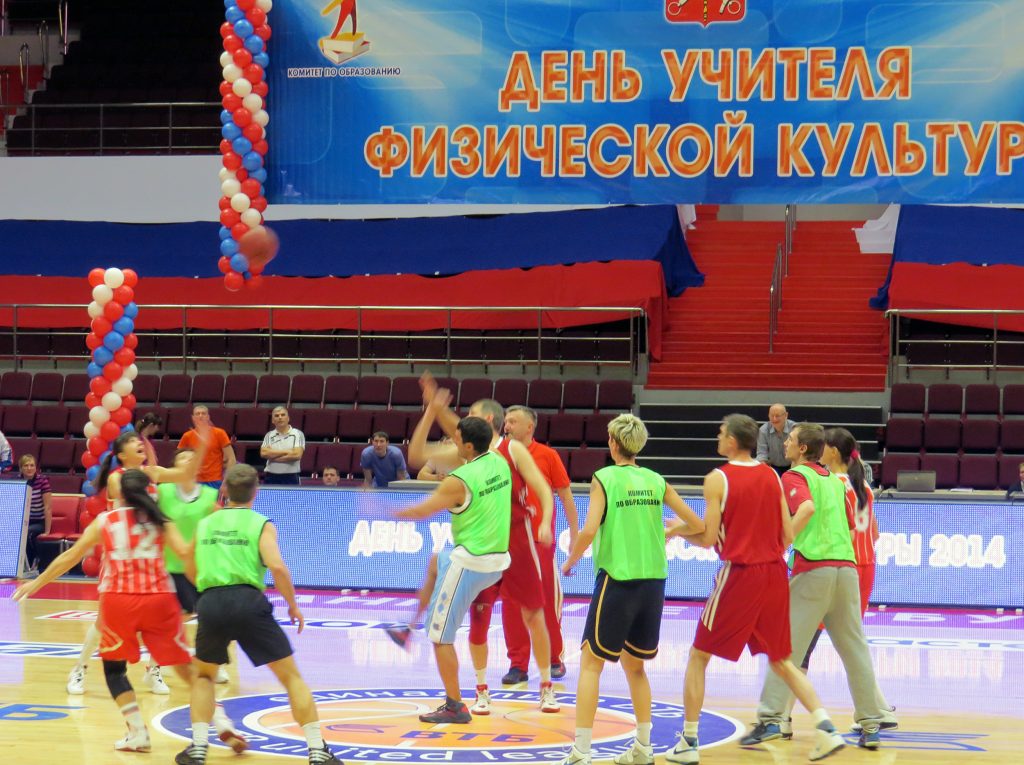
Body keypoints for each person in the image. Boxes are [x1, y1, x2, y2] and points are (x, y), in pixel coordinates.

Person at [13, 470, 245, 754]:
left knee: (114, 670)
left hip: (119, 601)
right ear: (149, 492)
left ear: (120, 494)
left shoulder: (106, 520)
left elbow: (70, 557)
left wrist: (35, 582)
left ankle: (137, 733)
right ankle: (221, 721)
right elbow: (187, 556)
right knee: (187, 669)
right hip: (159, 599)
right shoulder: (161, 521)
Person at [671, 415, 846, 764]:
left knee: (698, 656)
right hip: (775, 573)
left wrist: (677, 531)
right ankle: (827, 729)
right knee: (782, 661)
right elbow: (788, 535)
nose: (718, 436)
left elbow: (708, 538)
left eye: (722, 432)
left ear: (733, 441)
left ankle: (688, 743)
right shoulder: (771, 475)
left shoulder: (717, 478)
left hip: (740, 573)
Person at [392, 374, 558, 715]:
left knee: (533, 613)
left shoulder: (509, 450)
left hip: (516, 539)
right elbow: (423, 452)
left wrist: (544, 521)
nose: (461, 420)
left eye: (469, 414)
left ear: (485, 420)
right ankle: (481, 689)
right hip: (486, 545)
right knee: (477, 617)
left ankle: (546, 686)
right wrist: (434, 408)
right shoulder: (472, 455)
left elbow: (543, 487)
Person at [559, 414, 704, 765]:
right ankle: (643, 747)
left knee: (591, 664)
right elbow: (698, 524)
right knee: (635, 667)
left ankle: (581, 752)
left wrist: (570, 561)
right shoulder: (655, 479)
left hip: (618, 580)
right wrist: (672, 531)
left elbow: (589, 529)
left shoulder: (604, 477)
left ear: (613, 443)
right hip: (653, 583)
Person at [177, 464, 340, 765]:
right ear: (256, 492)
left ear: (225, 490)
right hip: (248, 601)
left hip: (211, 601)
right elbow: (276, 566)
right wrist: (292, 605)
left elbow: (187, 560)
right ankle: (317, 750)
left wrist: (205, 587)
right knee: (291, 678)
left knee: (204, 676)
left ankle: (198, 747)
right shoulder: (261, 523)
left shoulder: (206, 523)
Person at [744, 422, 884, 752]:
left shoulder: (796, 476)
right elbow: (852, 527)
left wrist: (780, 544)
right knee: (855, 650)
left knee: (785, 648)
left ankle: (771, 719)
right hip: (846, 570)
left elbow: (806, 509)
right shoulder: (835, 481)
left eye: (791, 440)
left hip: (814, 570)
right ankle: (871, 723)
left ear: (803, 448)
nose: (785, 444)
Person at [66, 430, 206, 696]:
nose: (139, 444)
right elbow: (131, 493)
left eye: (139, 441)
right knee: (103, 621)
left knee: (165, 619)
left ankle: (153, 671)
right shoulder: (118, 478)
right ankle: (79, 668)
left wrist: (204, 443)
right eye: (133, 442)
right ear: (121, 454)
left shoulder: (152, 473)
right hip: (121, 555)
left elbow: (187, 474)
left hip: (151, 554)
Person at [392, 413, 512, 724]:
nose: (451, 440)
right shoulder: (498, 460)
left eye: (456, 438)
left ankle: (455, 705)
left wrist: (384, 510)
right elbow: (463, 436)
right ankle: (408, 628)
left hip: (471, 562)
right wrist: (436, 407)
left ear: (468, 446)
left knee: (440, 637)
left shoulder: (458, 481)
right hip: (498, 560)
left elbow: (420, 512)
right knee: (436, 561)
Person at [818, 427, 897, 732]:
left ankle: (874, 710)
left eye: (824, 446)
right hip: (866, 565)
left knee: (844, 642)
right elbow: (873, 532)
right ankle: (878, 706)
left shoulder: (835, 484)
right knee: (853, 640)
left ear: (833, 451)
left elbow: (844, 531)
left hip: (844, 566)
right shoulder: (862, 483)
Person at [501, 405, 579, 682]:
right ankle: (518, 664)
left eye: (513, 421)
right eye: (506, 421)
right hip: (509, 541)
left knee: (545, 600)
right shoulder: (498, 455)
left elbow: (566, 496)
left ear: (529, 427)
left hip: (540, 542)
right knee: (511, 605)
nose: (507, 426)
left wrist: (574, 534)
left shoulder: (547, 455)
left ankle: (554, 658)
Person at [157, 448, 231, 685]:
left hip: (202, 567)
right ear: (173, 467)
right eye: (183, 458)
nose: (188, 461)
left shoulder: (210, 495)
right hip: (170, 566)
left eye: (192, 458)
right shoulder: (163, 491)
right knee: (172, 620)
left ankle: (214, 663)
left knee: (214, 617)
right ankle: (155, 666)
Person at [178, 404, 235, 491]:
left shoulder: (219, 433)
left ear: (208, 417)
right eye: (197, 414)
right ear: (193, 418)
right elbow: (178, 459)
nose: (200, 416)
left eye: (203, 413)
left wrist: (226, 481)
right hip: (194, 481)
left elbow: (231, 458)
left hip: (215, 481)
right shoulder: (187, 436)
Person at [19, 454, 52, 575]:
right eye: (26, 465)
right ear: (21, 468)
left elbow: (48, 507)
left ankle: (35, 561)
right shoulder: (18, 481)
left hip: (39, 521)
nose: (29, 468)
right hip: (23, 521)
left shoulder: (42, 481)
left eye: (32, 465)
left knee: (27, 533)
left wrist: (47, 531)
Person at [260, 406, 305, 485]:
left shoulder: (298, 434)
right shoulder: (269, 435)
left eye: (283, 415)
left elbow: (297, 455)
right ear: (273, 420)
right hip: (270, 476)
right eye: (276, 416)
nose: (280, 417)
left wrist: (272, 457)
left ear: (288, 418)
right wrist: (288, 451)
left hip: (291, 477)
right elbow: (264, 453)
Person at [756, 403, 796, 476]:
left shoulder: (795, 429)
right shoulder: (763, 430)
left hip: (793, 465)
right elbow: (762, 454)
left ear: (786, 415)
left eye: (777, 416)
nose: (774, 419)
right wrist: (763, 470)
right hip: (773, 467)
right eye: (772, 416)